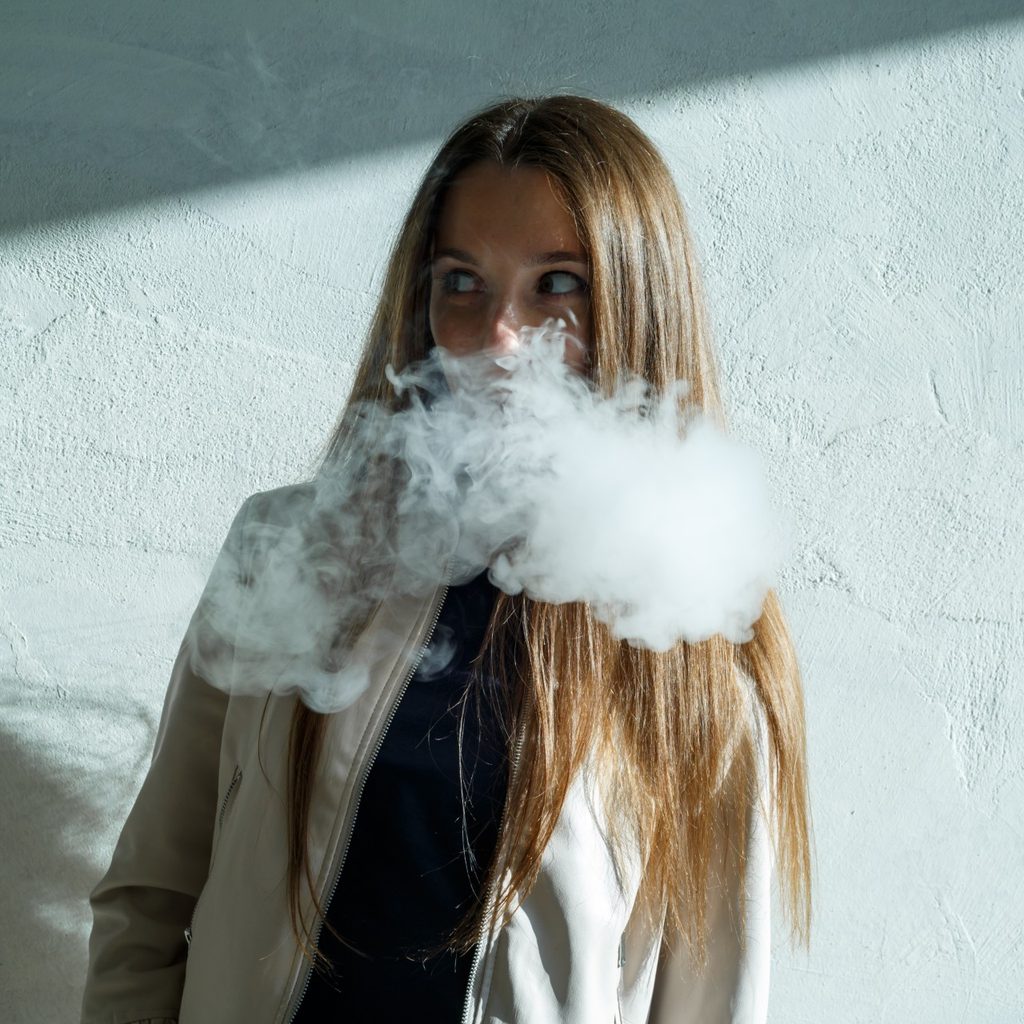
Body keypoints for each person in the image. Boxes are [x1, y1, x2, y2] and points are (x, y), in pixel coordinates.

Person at [81, 94, 811, 1024]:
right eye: (461, 281)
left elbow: (709, 1009)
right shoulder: (291, 548)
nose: (499, 337)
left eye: (558, 285)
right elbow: (150, 900)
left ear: (639, 308)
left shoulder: (693, 635)